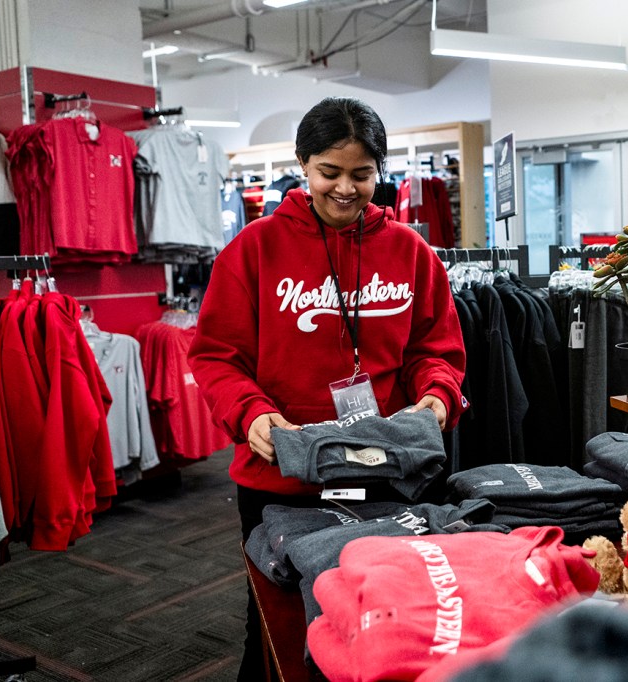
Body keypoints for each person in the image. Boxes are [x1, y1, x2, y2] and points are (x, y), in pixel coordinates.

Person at [186, 96, 467, 679]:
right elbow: (216, 356)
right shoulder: (253, 250)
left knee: (384, 616)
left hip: (385, 470)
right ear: (302, 164)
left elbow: (433, 350)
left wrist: (436, 395)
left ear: (380, 172)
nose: (345, 188)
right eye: (329, 173)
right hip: (280, 478)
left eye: (362, 175)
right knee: (277, 623)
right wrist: (251, 414)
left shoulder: (410, 251)